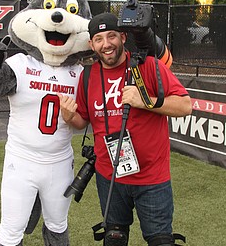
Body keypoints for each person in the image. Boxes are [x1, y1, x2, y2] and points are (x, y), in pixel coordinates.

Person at [58, 13, 192, 246]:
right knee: (114, 239)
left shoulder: (148, 66)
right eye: (98, 39)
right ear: (91, 44)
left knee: (161, 240)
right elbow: (83, 122)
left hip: (152, 178)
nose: (106, 44)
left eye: (111, 36)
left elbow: (185, 106)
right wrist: (70, 117)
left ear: (123, 36)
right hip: (109, 177)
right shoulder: (87, 75)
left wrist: (146, 101)